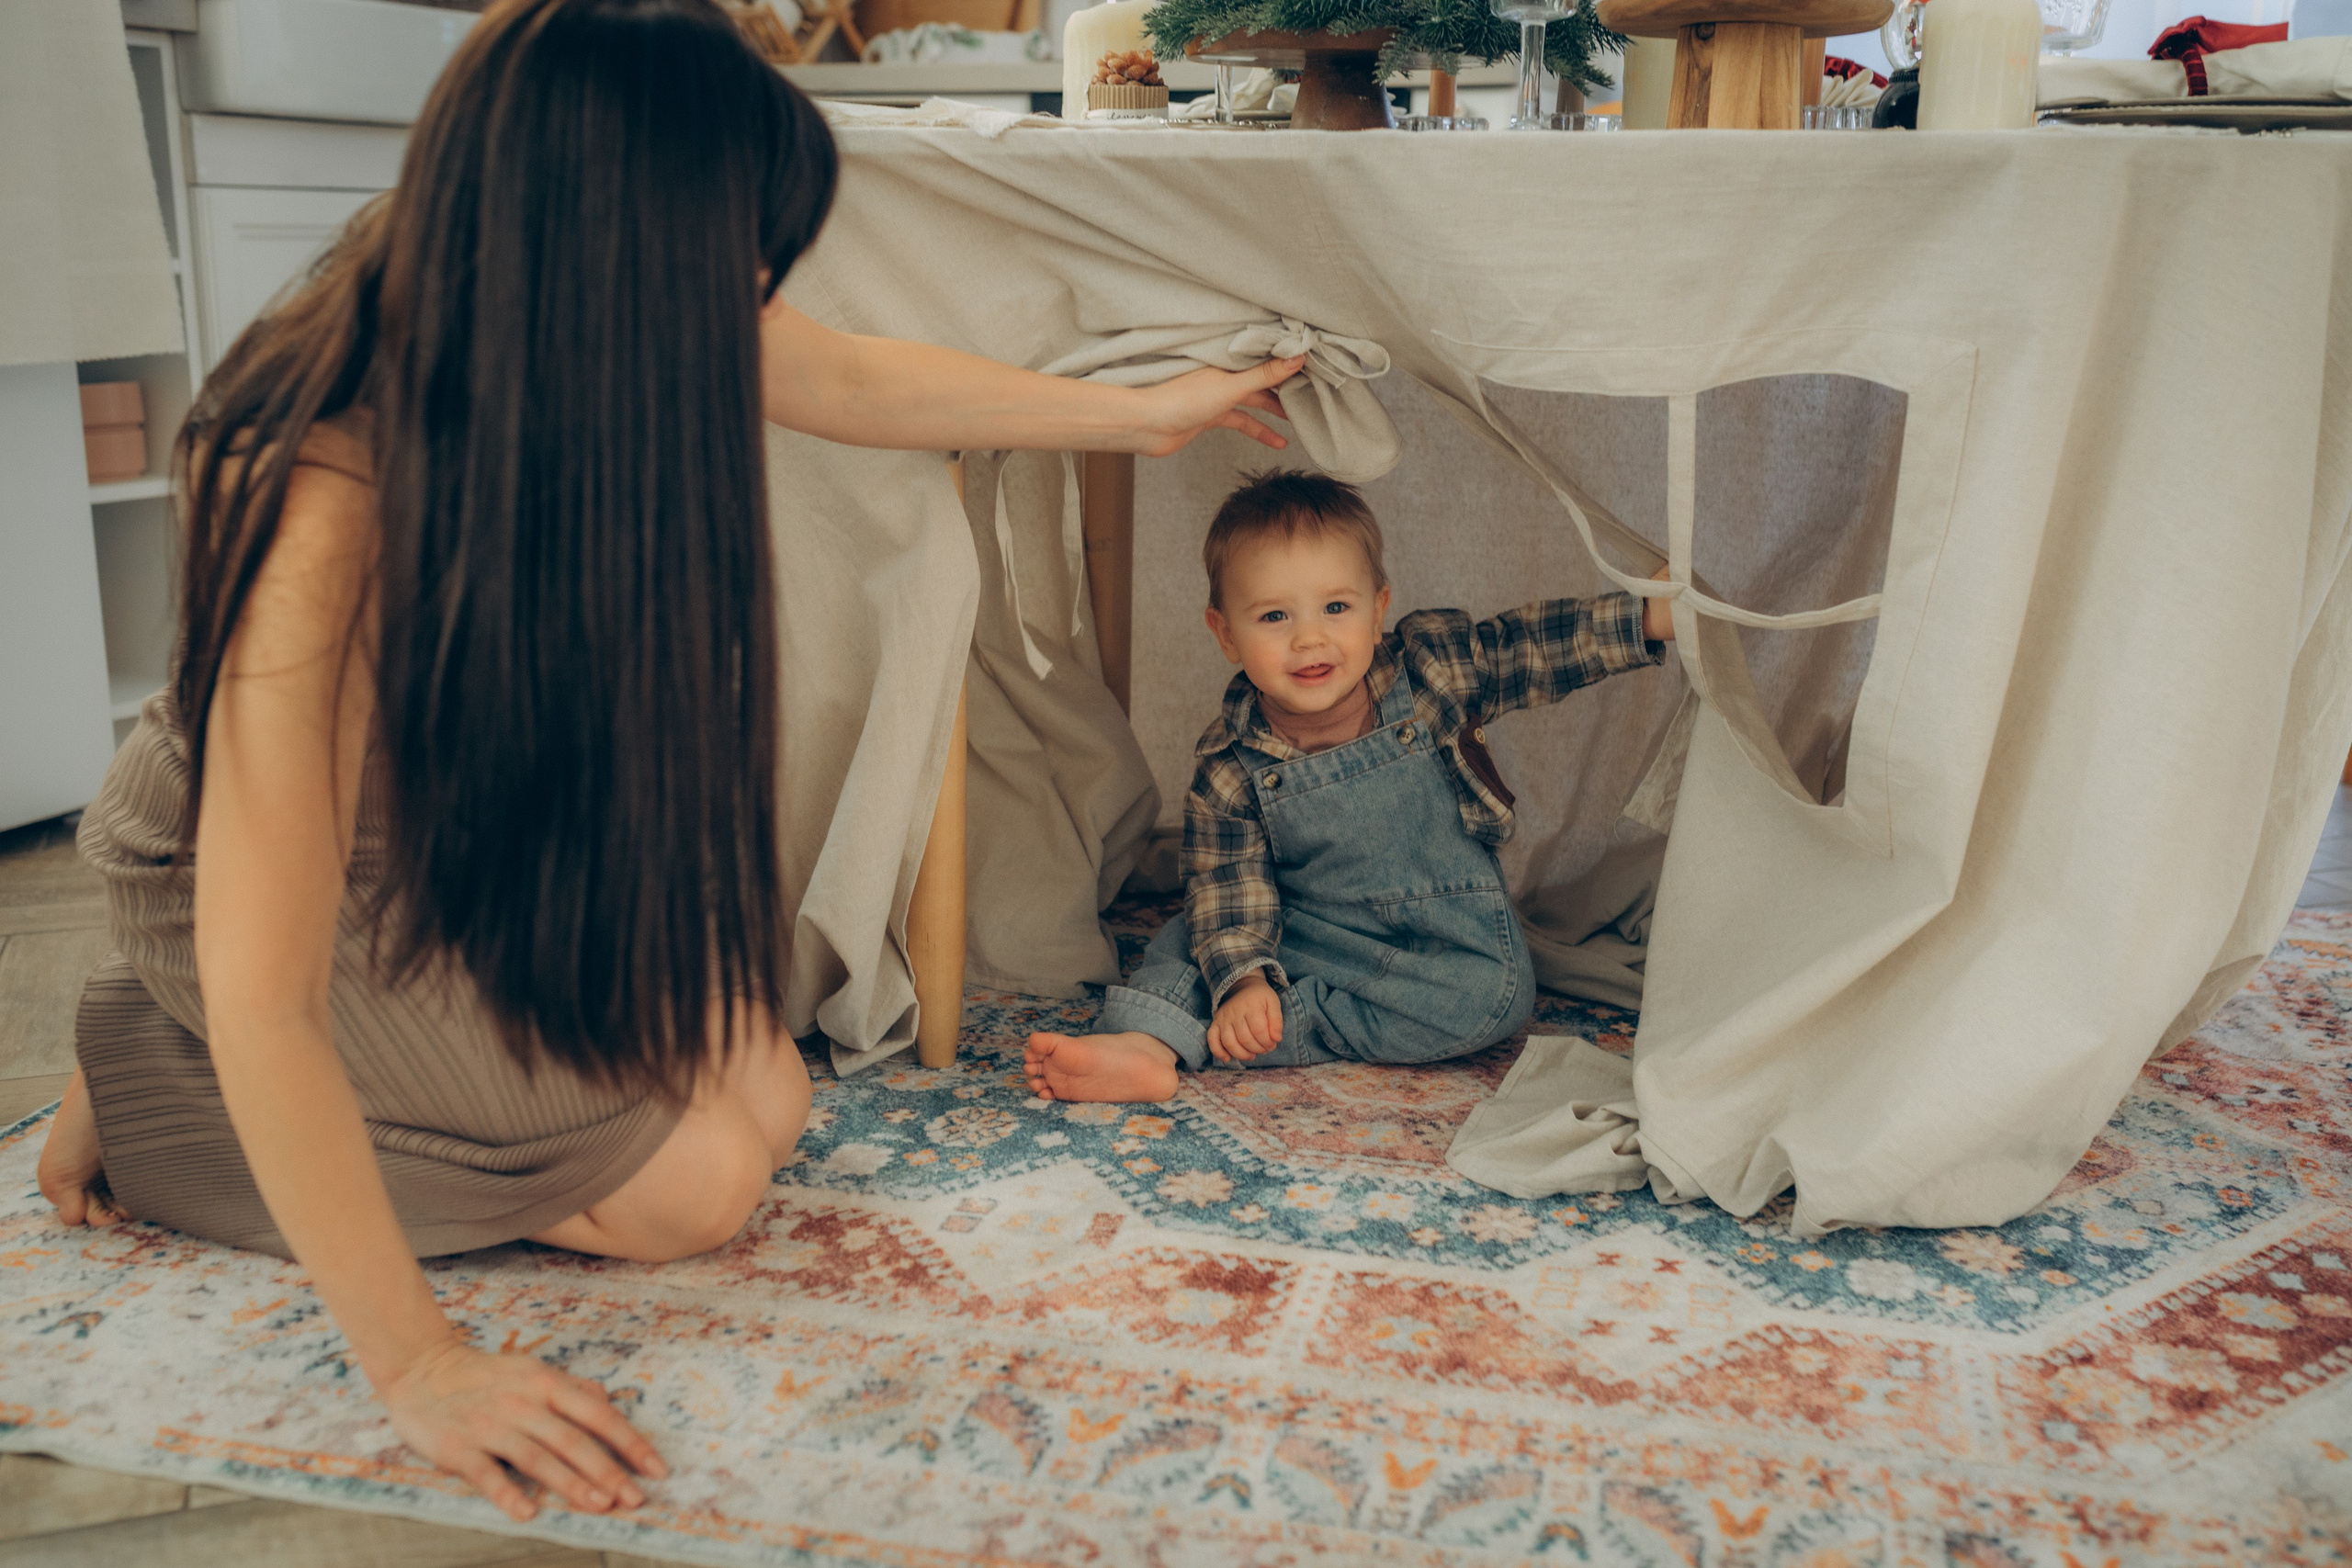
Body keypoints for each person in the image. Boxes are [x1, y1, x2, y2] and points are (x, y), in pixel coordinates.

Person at [32, 0, 1300, 1525]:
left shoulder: (525, 267)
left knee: (763, 1089)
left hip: (452, 835)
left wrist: (1141, 418)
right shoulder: (321, 497)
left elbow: (841, 378)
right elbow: (272, 987)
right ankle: (164, 1081)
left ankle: (213, 1072)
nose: (755, 308)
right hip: (250, 888)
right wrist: (423, 1363)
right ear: (627, 257)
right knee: (697, 1186)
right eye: (741, 271)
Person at [1023, 469, 1674, 1104]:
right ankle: (1144, 1042)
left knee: (1493, 998)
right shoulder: (1231, 761)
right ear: (1225, 634)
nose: (1311, 637)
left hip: (1440, 937)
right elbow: (1228, 888)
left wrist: (1644, 620)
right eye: (1275, 615)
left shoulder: (1430, 670)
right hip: (1303, 930)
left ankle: (1270, 1024)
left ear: (1378, 609)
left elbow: (1528, 648)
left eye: (1337, 607)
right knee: (1193, 932)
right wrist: (1246, 977)